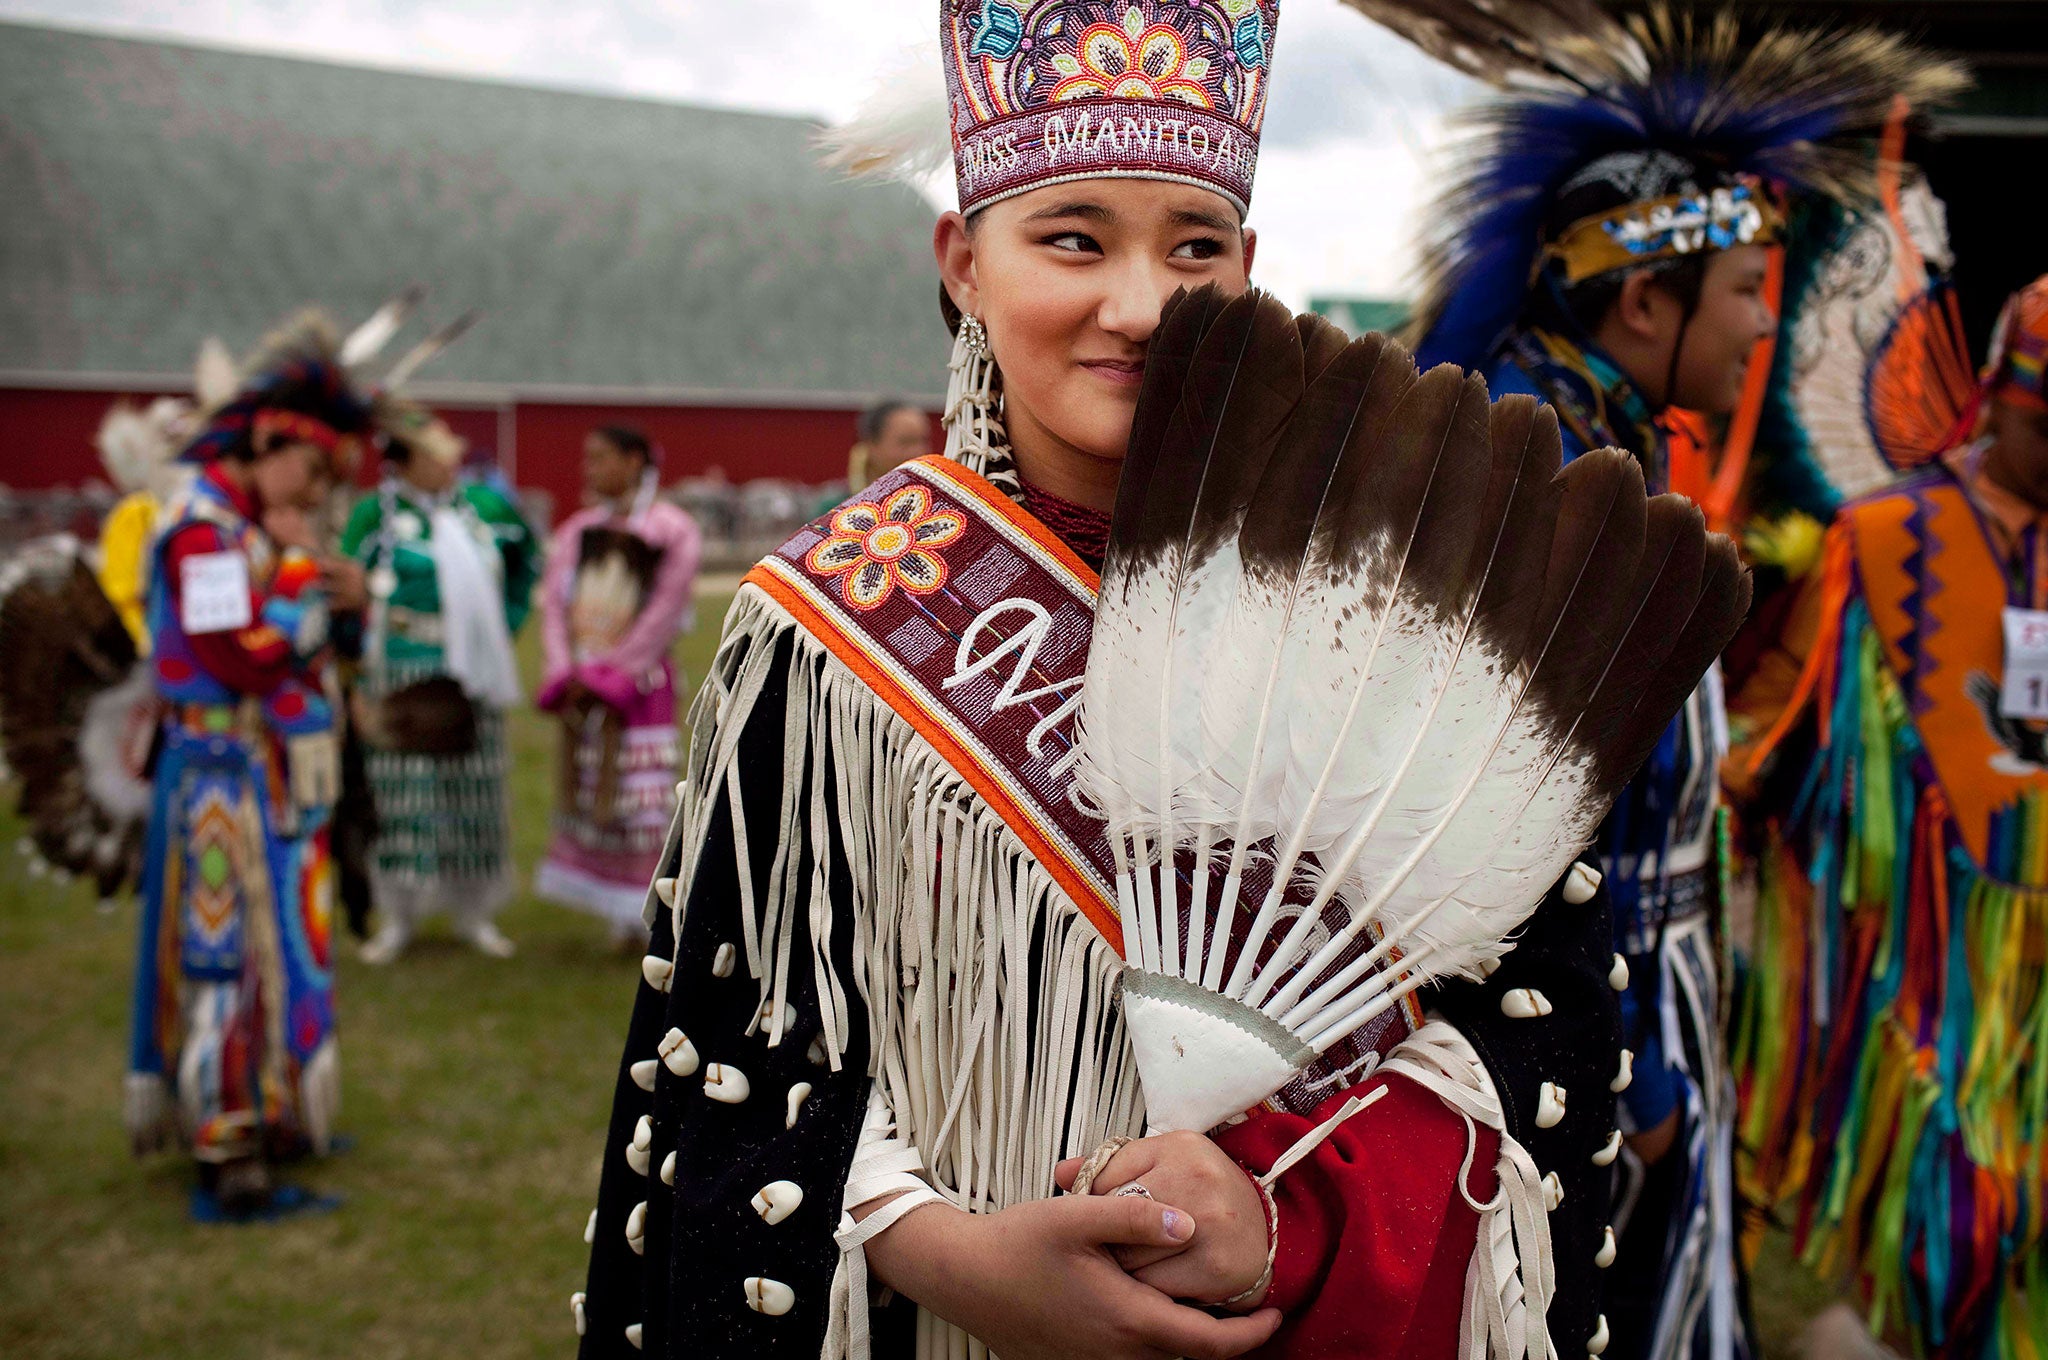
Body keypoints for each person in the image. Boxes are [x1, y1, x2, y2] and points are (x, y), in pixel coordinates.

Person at [572, 5, 1631, 1358]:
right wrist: (944, 1251)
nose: (1139, 305)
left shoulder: (1407, 606)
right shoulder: (822, 639)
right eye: (1071, 238)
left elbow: (1542, 1045)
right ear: (963, 260)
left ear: (1247, 264)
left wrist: (1292, 1218)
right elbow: (735, 1066)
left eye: (1194, 246)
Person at [1385, 8, 1964, 1358]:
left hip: (1634, 995)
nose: (1766, 325)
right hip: (1583, 1016)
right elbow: (1512, 821)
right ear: (1646, 300)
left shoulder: (1590, 450)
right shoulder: (1542, 481)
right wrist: (1623, 1058)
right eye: (1752, 289)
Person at [1727, 275, 2048, 1360]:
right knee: (1944, 1226)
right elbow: (1770, 720)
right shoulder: (1880, 540)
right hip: (1921, 967)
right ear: (1995, 395)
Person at [125, 314, 375, 1217]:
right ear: (269, 443)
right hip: (216, 779)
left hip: (263, 775)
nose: (313, 494)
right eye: (311, 472)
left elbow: (296, 648)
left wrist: (339, 602)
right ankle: (227, 1142)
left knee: (281, 951)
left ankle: (270, 1109)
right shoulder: (198, 530)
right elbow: (242, 651)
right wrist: (312, 586)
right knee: (223, 951)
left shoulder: (237, 522)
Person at [341, 402, 540, 963]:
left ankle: (474, 912)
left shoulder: (484, 508)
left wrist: (504, 627)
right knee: (403, 792)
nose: (449, 463)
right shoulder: (372, 518)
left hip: (470, 672)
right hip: (401, 668)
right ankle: (399, 915)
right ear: (404, 463)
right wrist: (355, 666)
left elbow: (527, 561)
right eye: (435, 455)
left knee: (472, 791)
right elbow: (345, 590)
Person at [536, 425, 703, 949]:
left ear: (634, 462)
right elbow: (554, 609)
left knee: (640, 801)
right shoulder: (578, 530)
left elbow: (664, 611)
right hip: (583, 685)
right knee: (593, 791)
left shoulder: (671, 529)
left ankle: (646, 911)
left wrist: (616, 673)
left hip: (641, 685)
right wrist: (567, 670)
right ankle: (614, 910)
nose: (589, 468)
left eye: (601, 457)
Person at [847, 400, 932, 490]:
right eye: (906, 442)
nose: (917, 452)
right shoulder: (841, 503)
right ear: (871, 445)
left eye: (923, 441)